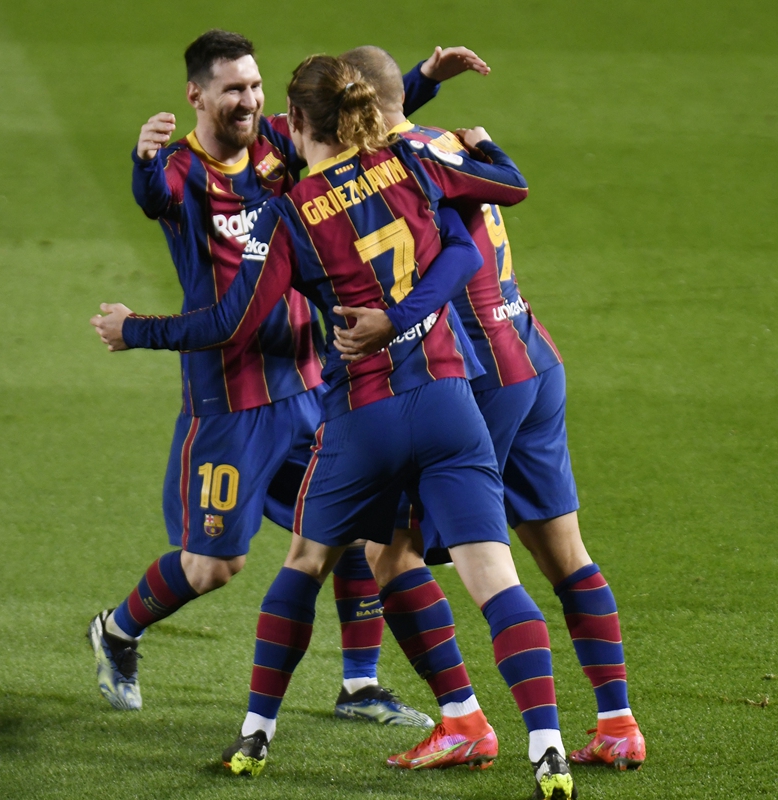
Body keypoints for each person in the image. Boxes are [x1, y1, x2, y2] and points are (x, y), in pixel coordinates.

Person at [92, 54, 576, 800]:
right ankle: (548, 749)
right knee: (489, 577)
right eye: (236, 88)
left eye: (261, 91)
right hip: (422, 401)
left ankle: (271, 728)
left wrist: (135, 330)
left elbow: (230, 319)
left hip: (350, 407)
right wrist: (406, 315)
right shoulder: (407, 161)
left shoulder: (287, 201)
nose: (252, 102)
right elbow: (467, 234)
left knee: (313, 556)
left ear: (291, 113)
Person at [331, 45, 647, 771]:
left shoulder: (392, 168)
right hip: (535, 354)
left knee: (389, 552)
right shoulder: (442, 146)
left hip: (478, 378)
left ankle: (462, 720)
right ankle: (617, 722)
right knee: (566, 552)